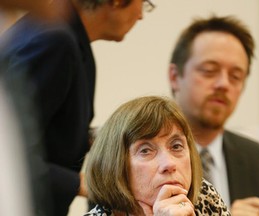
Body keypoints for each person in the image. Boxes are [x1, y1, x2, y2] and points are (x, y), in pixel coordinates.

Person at [0, 0, 155, 215]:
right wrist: (92, 186)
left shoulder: (72, 43)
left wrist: (118, 137)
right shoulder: (54, 41)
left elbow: (56, 132)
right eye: (144, 3)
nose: (141, 16)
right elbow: (12, 150)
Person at [168, 15, 259, 216]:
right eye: (209, 71)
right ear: (175, 77)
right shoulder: (138, 157)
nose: (224, 84)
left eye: (236, 76)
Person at [84, 96, 230, 216]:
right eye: (145, 151)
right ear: (116, 166)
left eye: (176, 146)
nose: (169, 164)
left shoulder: (204, 196)